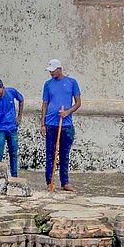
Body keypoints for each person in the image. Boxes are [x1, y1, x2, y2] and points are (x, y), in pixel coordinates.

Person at [41, 59, 81, 192]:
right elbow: (45, 104)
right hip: (51, 124)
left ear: (59, 69)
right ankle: (49, 182)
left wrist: (67, 112)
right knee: (50, 154)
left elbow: (78, 103)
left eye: (53, 71)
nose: (51, 73)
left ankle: (65, 182)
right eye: (50, 71)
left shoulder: (72, 82)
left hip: (66, 124)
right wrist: (43, 123)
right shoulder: (48, 84)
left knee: (64, 154)